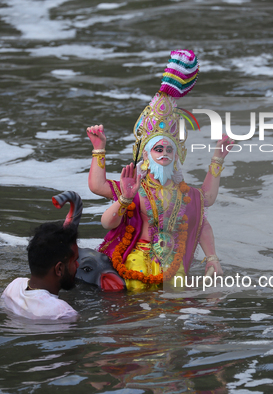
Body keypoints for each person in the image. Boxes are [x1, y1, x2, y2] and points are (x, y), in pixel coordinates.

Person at [87, 49, 233, 291]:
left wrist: (212, 258)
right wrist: (99, 149)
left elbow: (203, 210)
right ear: (146, 155)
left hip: (173, 265)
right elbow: (98, 193)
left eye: (169, 149)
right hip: (135, 261)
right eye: (158, 149)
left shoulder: (184, 192)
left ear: (176, 156)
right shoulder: (134, 186)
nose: (164, 152)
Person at [1, 222, 79, 319]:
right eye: (74, 261)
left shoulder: (13, 287)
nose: (78, 265)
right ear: (59, 269)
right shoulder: (63, 313)